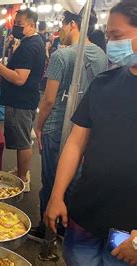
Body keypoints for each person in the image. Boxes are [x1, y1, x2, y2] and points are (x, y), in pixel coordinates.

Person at [44, 1, 137, 265]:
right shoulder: (104, 82)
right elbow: (76, 142)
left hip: (128, 232)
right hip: (86, 214)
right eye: (108, 36)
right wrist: (57, 195)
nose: (110, 43)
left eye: (117, 36)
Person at [30, 9, 108, 241]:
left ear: (72, 24)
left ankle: (47, 230)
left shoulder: (60, 56)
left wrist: (38, 125)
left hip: (57, 128)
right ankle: (67, 229)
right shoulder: (102, 56)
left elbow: (49, 100)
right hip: (86, 132)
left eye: (62, 25)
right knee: (74, 182)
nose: (59, 30)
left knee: (52, 182)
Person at [0, 9, 46, 191]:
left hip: (22, 100)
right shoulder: (32, 42)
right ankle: (22, 172)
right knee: (22, 139)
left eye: (20, 25)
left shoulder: (30, 46)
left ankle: (23, 179)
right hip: (24, 99)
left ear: (32, 25)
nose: (16, 27)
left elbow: (20, 78)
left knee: (22, 142)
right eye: (15, 23)